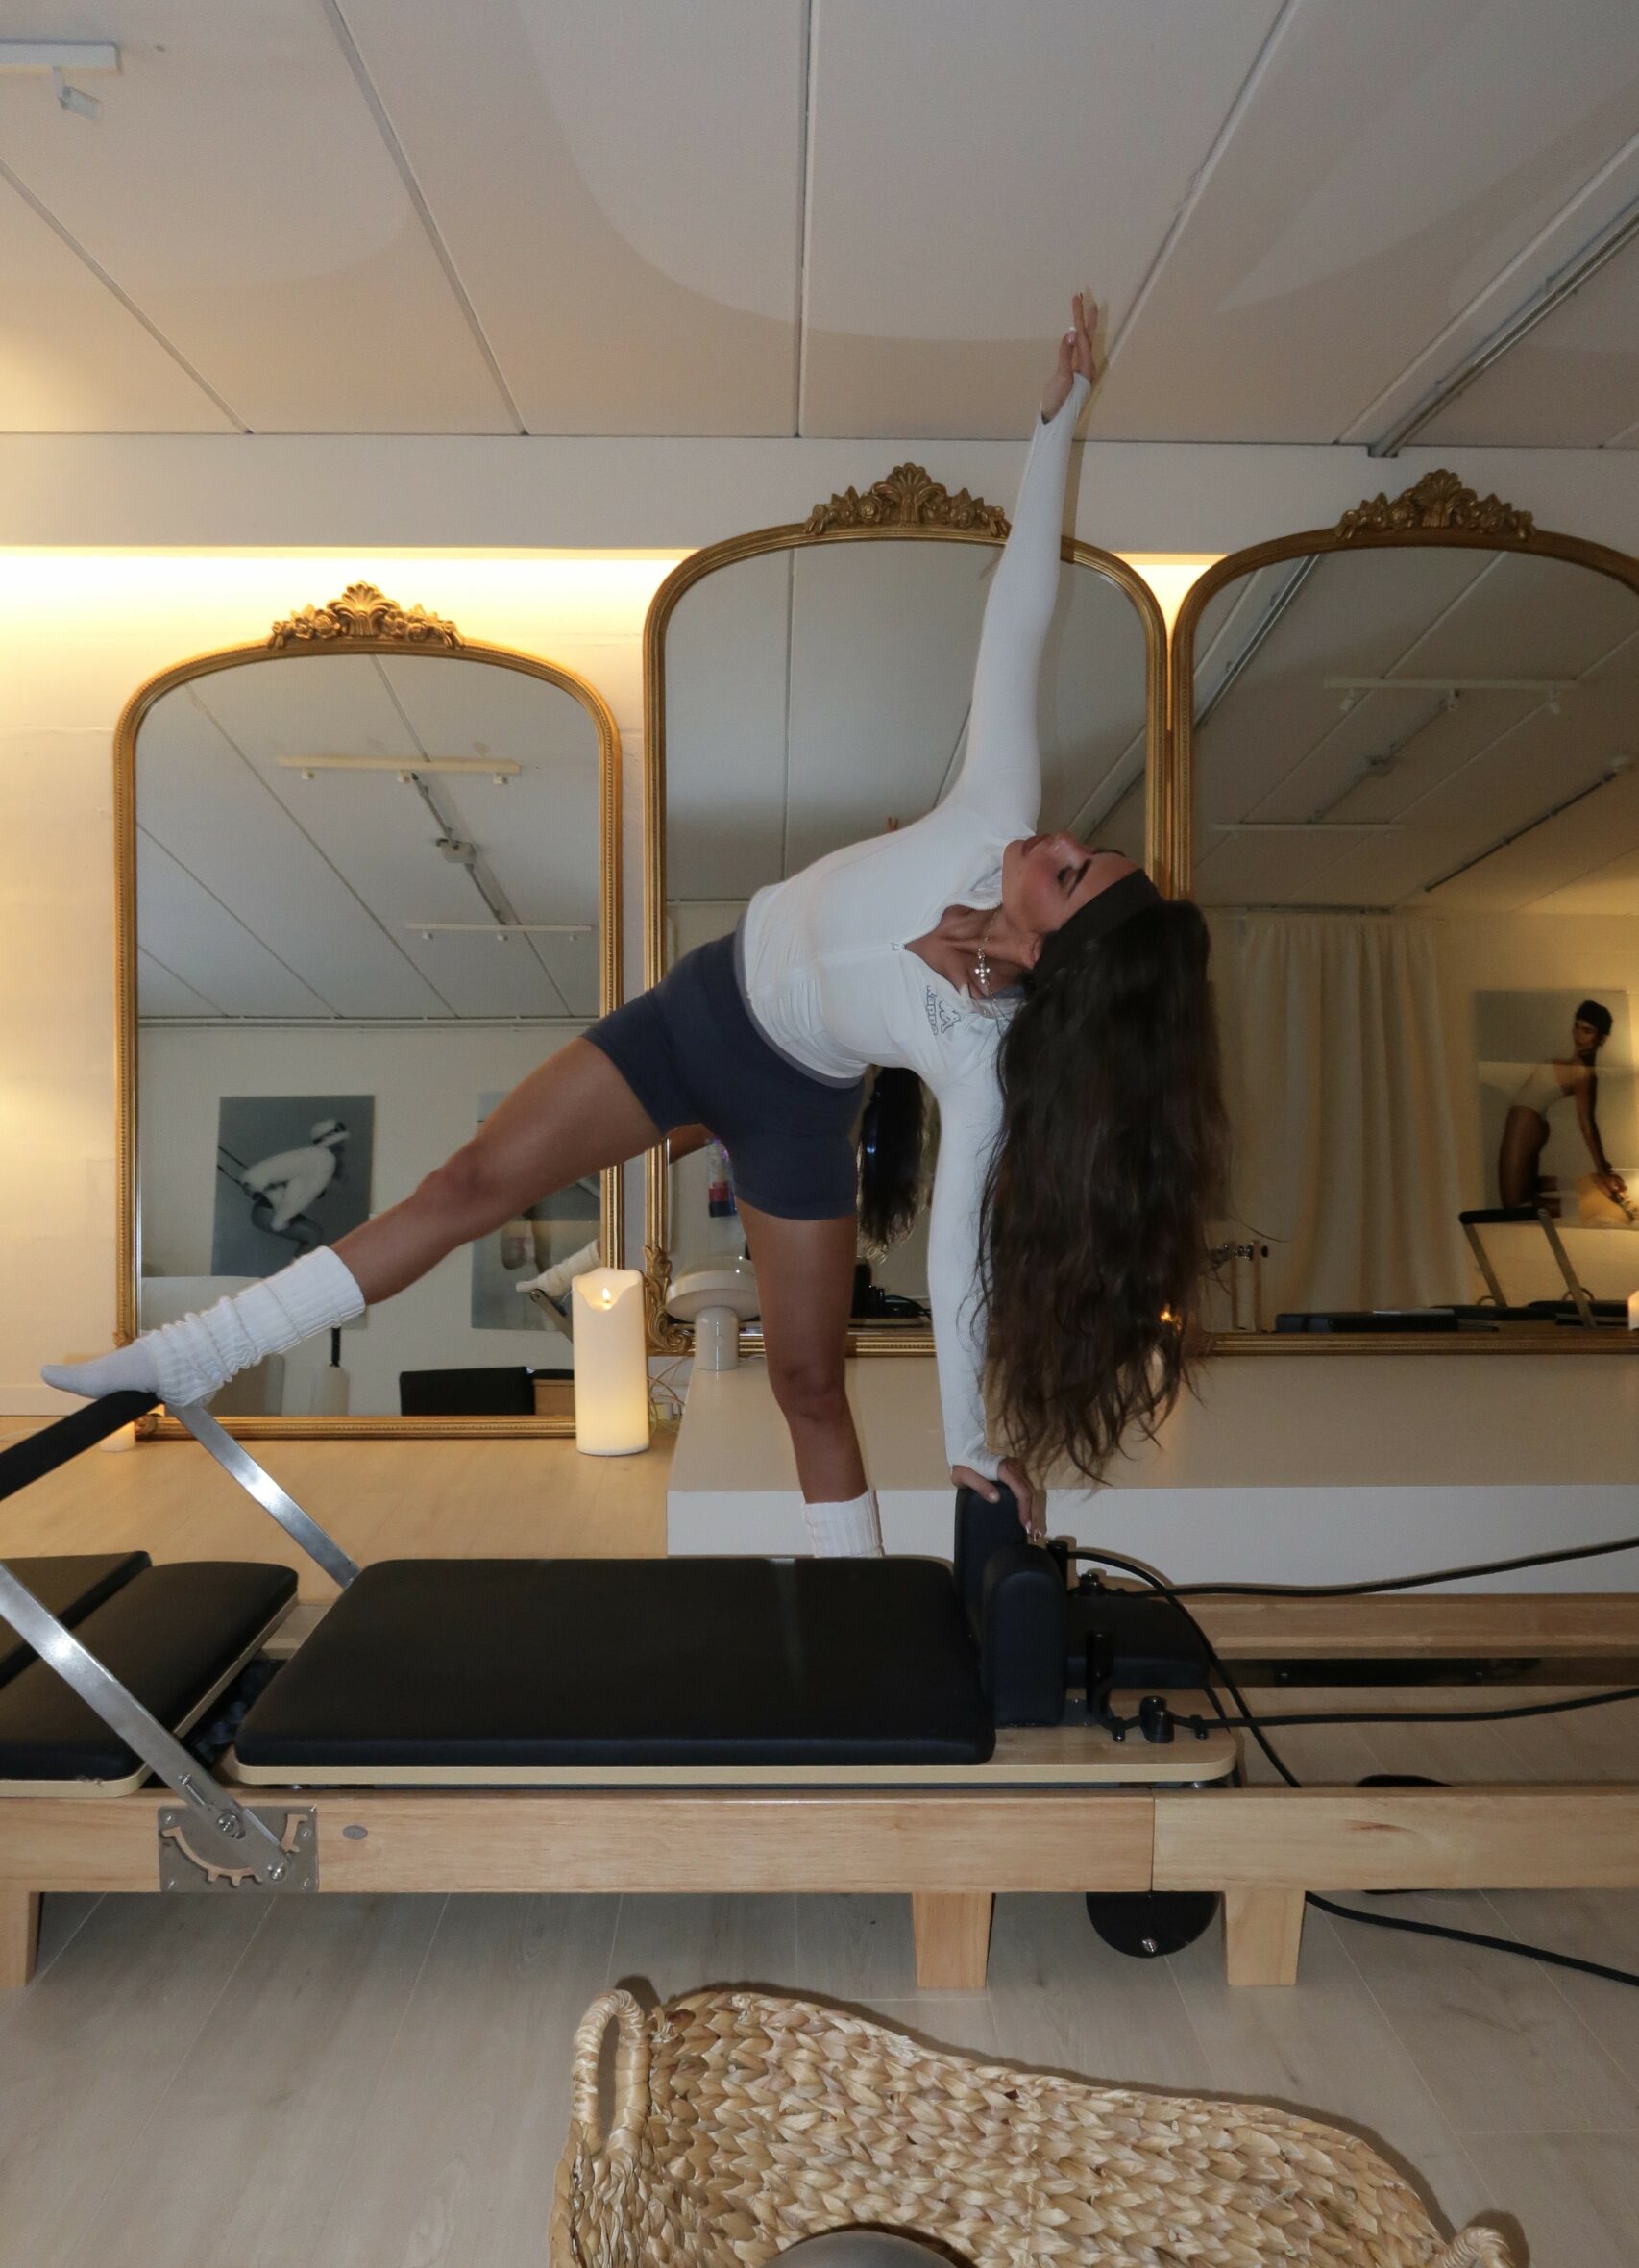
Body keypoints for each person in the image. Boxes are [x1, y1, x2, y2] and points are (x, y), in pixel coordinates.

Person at [46, 295, 1228, 1557]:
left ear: (1045, 956)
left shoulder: (984, 1061)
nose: (1056, 841)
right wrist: (1054, 424)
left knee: (807, 1383)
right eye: (1080, 848)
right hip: (694, 1015)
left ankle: (852, 1615)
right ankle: (190, 1353)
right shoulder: (992, 806)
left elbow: (956, 1271)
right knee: (465, 1183)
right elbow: (1018, 619)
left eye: (1069, 875)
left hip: (792, 1107)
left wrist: (975, 1447)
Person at [1497, 1000, 1627, 1211]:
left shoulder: (1583, 1073)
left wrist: (1603, 1169)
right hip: (1528, 1121)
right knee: (1530, 1189)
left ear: (1601, 1039)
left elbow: (1586, 1123)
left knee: (1514, 1205)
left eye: (1587, 1031)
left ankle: (1596, 1205)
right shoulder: (1575, 1066)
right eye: (1577, 1027)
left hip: (1524, 1120)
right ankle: (1589, 1187)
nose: (1578, 1035)